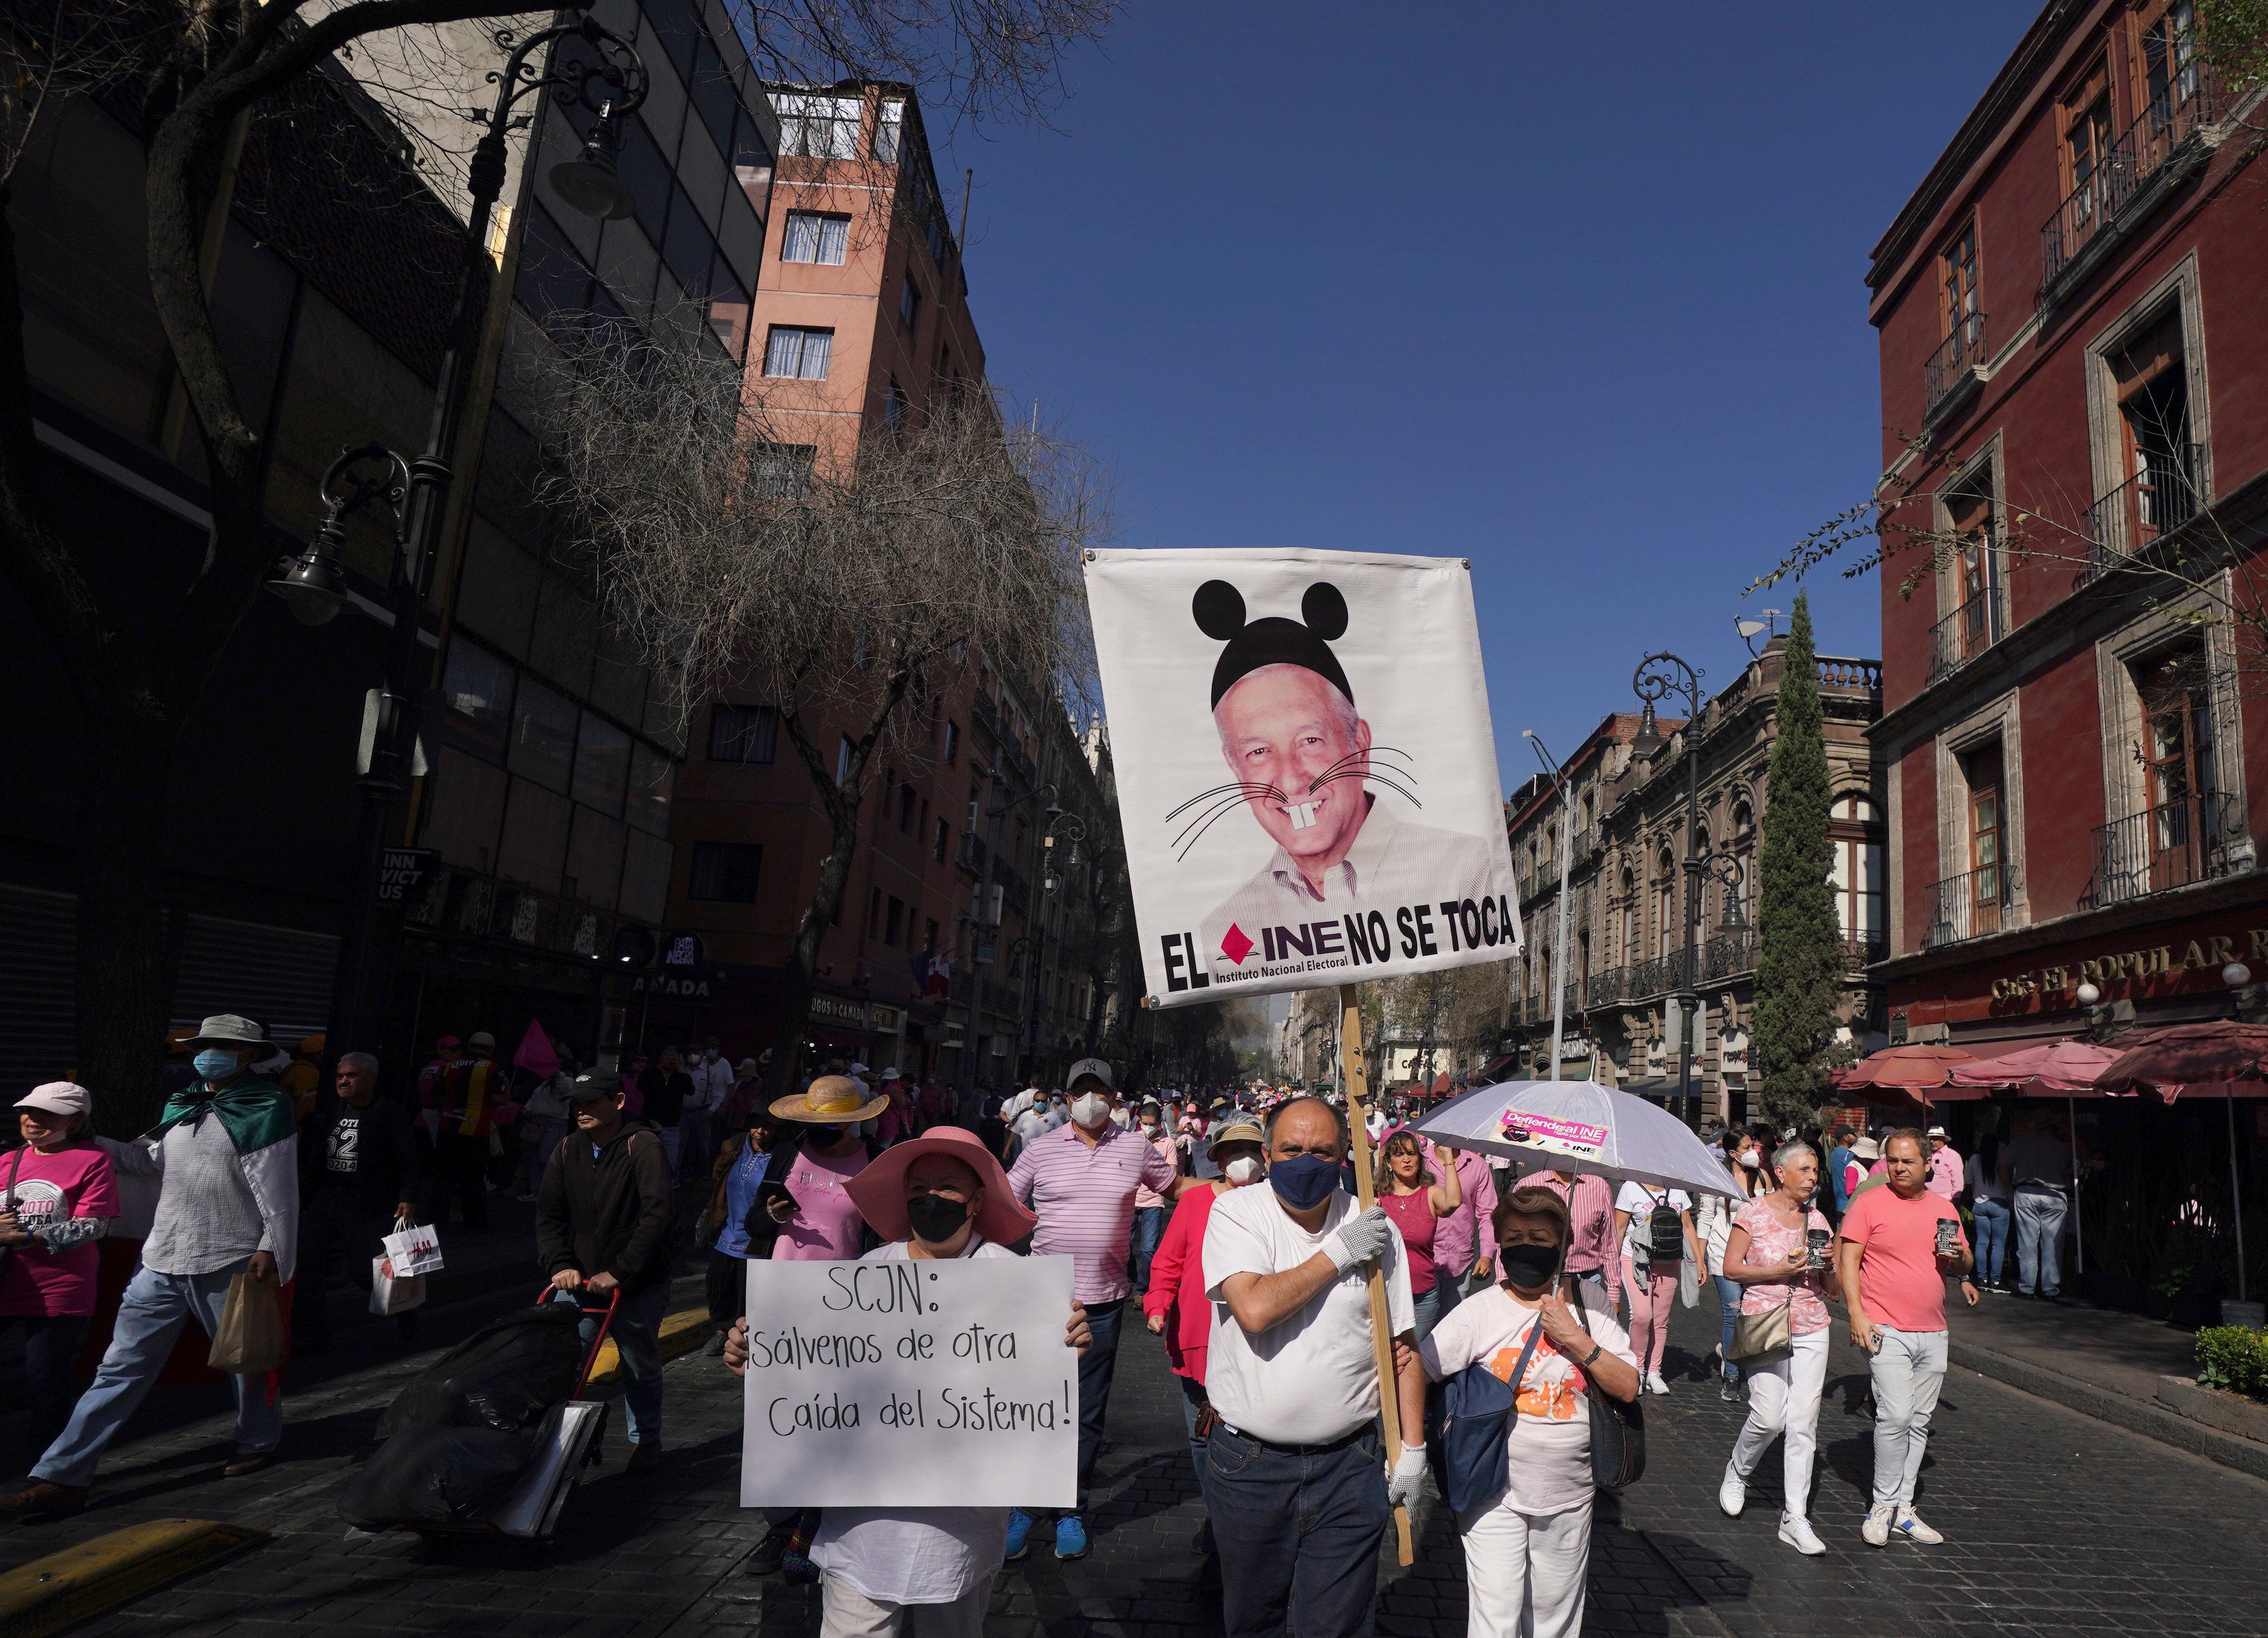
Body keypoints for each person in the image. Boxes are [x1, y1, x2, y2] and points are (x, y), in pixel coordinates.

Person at [721, 1126, 1091, 1635]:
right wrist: (758, 1359)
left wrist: (1066, 1341)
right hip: (861, 1537)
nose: (930, 1199)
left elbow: (1036, 1395)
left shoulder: (1020, 1287)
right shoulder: (861, 1280)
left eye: (946, 1187)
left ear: (977, 1199)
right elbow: (809, 1386)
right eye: (917, 1189)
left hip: (961, 1538)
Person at [1, 1016, 298, 1516]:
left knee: (248, 1362)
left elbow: (278, 1184)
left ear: (249, 1055)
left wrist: (270, 1245)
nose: (210, 1054)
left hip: (230, 1257)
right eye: (204, 1046)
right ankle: (62, 1475)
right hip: (161, 1256)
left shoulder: (268, 1106)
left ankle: (258, 1439)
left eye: (223, 1047)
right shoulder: (181, 1104)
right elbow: (149, 1162)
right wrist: (81, 1142)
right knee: (117, 1370)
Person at [1189, 587, 1500, 981]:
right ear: (1234, 769)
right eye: (1258, 752)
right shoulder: (1226, 932)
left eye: (1310, 741)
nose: (1289, 779)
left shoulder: (1464, 874)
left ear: (1360, 745)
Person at [1200, 1095, 1424, 1638]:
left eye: (1322, 1151)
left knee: (1336, 1624)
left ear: (1345, 1154)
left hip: (1349, 1464)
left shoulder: (1374, 1228)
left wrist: (1414, 1450)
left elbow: (1403, 1345)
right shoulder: (1237, 1212)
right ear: (1268, 1156)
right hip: (1250, 1467)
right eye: (1293, 1148)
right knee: (1255, 1618)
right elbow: (1253, 1309)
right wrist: (1338, 1254)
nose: (1307, 1160)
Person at [1417, 1186, 1640, 1638]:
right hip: (1493, 1489)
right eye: (1514, 1237)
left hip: (1570, 1492)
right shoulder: (1477, 1312)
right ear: (1498, 1243)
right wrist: (1411, 1447)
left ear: (1562, 1245)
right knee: (1495, 1618)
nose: (1526, 1248)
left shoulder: (1590, 1304)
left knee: (1552, 1618)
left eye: (1540, 1240)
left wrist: (1576, 1339)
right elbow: (1418, 1372)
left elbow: (1628, 1387)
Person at [1004, 1058, 1185, 1561]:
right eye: (1080, 1092)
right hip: (1042, 1299)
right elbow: (1001, 1208)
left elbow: (1176, 1190)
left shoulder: (1135, 1148)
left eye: (1099, 1091)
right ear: (1066, 1100)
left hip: (1104, 1302)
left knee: (1085, 1415)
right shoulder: (1039, 1150)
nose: (1090, 1100)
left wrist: (1234, 1189)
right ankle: (1022, 1506)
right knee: (1034, 1409)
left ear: (1113, 1098)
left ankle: (1070, 1510)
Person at [1836, 1127, 1976, 1547]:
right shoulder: (1869, 1202)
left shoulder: (1943, 1207)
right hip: (1884, 1326)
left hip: (1933, 1330)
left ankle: (1903, 1507)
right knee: (1895, 1415)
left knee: (1918, 1421)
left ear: (1927, 1163)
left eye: (1907, 1161)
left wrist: (1960, 1261)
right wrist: (1856, 1314)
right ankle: (1881, 1504)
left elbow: (1964, 1259)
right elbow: (1848, 1259)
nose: (1898, 1168)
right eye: (1892, 1160)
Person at [1141, 1115, 1267, 1578]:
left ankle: (1236, 1521)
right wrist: (1157, 1304)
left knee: (1245, 1436)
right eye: (1233, 1152)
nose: (1243, 1160)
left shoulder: (1277, 1202)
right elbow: (1168, 1260)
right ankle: (1219, 1515)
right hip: (1197, 1338)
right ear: (1216, 1158)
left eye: (1251, 1150)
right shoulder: (1195, 1202)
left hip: (1256, 1340)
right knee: (1201, 1437)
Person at [537, 1067, 676, 1474]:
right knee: (564, 1364)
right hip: (579, 1282)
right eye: (577, 1104)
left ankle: (646, 1438)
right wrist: (560, 1263)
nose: (581, 1111)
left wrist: (620, 1271)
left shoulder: (643, 1145)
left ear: (617, 1102)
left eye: (591, 1102)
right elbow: (549, 1215)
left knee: (639, 1365)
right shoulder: (566, 1149)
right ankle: (552, 1444)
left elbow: (658, 1216)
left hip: (635, 1284)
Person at [1717, 1141, 1841, 1556]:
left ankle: (1794, 1515)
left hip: (1811, 1324)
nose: (1812, 1177)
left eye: (1815, 1171)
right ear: (1782, 1172)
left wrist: (1830, 1268)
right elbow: (1731, 1267)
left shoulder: (1819, 1219)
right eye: (1804, 1170)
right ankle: (1739, 1469)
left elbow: (1832, 1289)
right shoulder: (1752, 1211)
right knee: (1769, 1416)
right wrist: (1778, 1270)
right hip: (1765, 1320)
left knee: (1803, 1421)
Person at [0, 1083, 119, 1460]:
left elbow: (93, 1225)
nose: (33, 1119)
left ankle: (48, 1470)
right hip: (6, 1281)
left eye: (47, 1113)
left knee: (45, 1382)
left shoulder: (93, 1159)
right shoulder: (7, 1160)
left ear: (77, 1119)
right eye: (28, 1111)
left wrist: (28, 1235)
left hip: (60, 1289)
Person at [294, 1050, 421, 1353]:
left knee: (365, 1270)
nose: (344, 1081)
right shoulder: (331, 1111)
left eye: (351, 1075)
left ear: (372, 1078)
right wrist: (302, 1199)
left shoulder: (388, 1112)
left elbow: (409, 1159)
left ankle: (404, 1309)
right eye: (340, 1076)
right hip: (328, 1196)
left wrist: (408, 1196)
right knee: (305, 1265)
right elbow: (315, 1159)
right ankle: (312, 1335)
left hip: (366, 1200)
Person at [764, 1076, 888, 1261]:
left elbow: (886, 1228)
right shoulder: (787, 1153)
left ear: (851, 1121)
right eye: (812, 1124)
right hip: (784, 1278)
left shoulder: (875, 1160)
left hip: (843, 1281)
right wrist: (771, 1214)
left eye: (829, 1125)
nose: (819, 1130)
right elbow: (754, 1221)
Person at [699, 1099, 783, 1353]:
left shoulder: (782, 1156)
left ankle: (742, 1337)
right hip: (726, 1231)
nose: (761, 1131)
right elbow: (717, 1174)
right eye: (756, 1126)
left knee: (747, 1290)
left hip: (756, 1237)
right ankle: (722, 1329)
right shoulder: (734, 1145)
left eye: (768, 1127)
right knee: (718, 1284)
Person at [1695, 1128, 1766, 1401]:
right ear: (1733, 1153)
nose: (1754, 1152)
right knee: (1733, 1313)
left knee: (1750, 1314)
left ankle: (1730, 1355)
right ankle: (1733, 1378)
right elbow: (1705, 1218)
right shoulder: (1717, 1178)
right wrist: (1699, 1259)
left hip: (1754, 1257)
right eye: (1747, 1147)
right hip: (1721, 1254)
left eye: (1754, 1145)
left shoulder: (1761, 1177)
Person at [1374, 1129, 1462, 1338]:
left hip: (1422, 1298)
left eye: (1412, 1154)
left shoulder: (1430, 1194)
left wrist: (1448, 1156)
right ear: (1388, 1162)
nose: (1406, 1160)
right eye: (1399, 1154)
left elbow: (1453, 1201)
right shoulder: (1377, 1198)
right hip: (1386, 1295)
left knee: (1416, 1358)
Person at [1612, 1178, 1697, 1394]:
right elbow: (1619, 1226)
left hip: (1670, 1261)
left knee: (1660, 1321)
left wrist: (1698, 1261)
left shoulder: (1678, 1189)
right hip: (1635, 1260)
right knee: (1642, 1316)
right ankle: (1637, 1369)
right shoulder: (1631, 1187)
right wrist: (1611, 1262)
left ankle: (1654, 1372)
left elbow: (1687, 1226)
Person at [430, 1029, 516, 1230]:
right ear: (491, 1050)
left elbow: (436, 1097)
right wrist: (508, 1097)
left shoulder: (450, 1066)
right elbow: (498, 1098)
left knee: (444, 1176)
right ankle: (474, 1223)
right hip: (476, 1132)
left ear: (469, 1047)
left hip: (448, 1128)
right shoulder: (494, 1069)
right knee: (473, 1179)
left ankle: (438, 1219)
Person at [1524, 1166, 1622, 1315]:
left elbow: (1609, 1243)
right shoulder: (1529, 1186)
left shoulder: (1599, 1187)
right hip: (1539, 1281)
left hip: (1587, 1282)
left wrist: (1614, 1292)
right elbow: (1511, 1242)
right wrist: (1503, 1283)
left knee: (1585, 1336)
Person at [2001, 1111, 2074, 1300]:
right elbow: (2077, 1164)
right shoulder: (2064, 1146)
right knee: (2053, 1245)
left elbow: (2002, 1163)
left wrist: (2008, 1185)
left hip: (2026, 1193)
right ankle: (2051, 1290)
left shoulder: (2021, 1142)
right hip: (2055, 1195)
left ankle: (2027, 1288)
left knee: (2027, 1244)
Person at [1425, 1138, 1498, 1321]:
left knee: (1453, 1326)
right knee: (1421, 1332)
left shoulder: (1477, 1165)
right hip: (1424, 1258)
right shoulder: (1421, 1162)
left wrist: (1487, 1254)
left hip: (1461, 1261)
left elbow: (1488, 1214)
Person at [1129, 1100, 1176, 1295]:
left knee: (1149, 1250)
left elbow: (1172, 1172)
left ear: (1159, 1123)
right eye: (1144, 1124)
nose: (1148, 1128)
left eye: (1152, 1124)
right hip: (1131, 1201)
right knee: (1124, 1246)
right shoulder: (1131, 1140)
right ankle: (1130, 1278)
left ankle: (1142, 1289)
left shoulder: (1168, 1143)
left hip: (1154, 1203)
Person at [517, 1054, 576, 1203]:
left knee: (546, 1159)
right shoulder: (545, 1084)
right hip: (538, 1123)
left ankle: (548, 1193)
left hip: (554, 1124)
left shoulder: (567, 1082)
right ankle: (536, 1191)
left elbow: (568, 1089)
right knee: (537, 1159)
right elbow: (534, 1098)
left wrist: (558, 1074)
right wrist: (528, 1108)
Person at [682, 1039, 733, 1185]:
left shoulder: (718, 1067)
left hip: (706, 1111)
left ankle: (705, 1172)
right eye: (690, 1053)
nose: (693, 1056)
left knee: (706, 1143)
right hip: (687, 1112)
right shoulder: (686, 1071)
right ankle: (689, 1171)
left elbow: (724, 1091)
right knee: (689, 1144)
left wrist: (718, 1108)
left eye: (714, 1048)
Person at [1969, 1130, 2011, 1292]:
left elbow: (1968, 1181)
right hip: (2000, 1204)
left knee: (1982, 1243)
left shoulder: (1974, 1159)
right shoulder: (2001, 1160)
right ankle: (1995, 1282)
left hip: (1980, 1204)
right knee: (1998, 1245)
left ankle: (1982, 1279)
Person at [645, 1047, 693, 1177]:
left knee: (669, 1166)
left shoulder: (681, 1077)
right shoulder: (651, 1074)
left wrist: (678, 1069)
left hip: (672, 1127)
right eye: (668, 1056)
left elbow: (691, 1090)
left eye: (674, 1057)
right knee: (648, 1163)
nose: (670, 1059)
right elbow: (642, 1085)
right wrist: (660, 1067)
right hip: (650, 1126)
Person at [1922, 1126, 1964, 1203]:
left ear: (1943, 1140)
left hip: (1946, 1200)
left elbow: (1958, 1179)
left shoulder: (1953, 1156)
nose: (1932, 1142)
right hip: (1928, 1199)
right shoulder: (1927, 1155)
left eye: (1935, 1139)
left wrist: (1956, 1199)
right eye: (1930, 1139)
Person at [1826, 1126, 1857, 1216]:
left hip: (1840, 1203)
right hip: (1848, 1203)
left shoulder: (1835, 1153)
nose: (1856, 1137)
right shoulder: (1847, 1155)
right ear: (1846, 1138)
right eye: (1853, 1134)